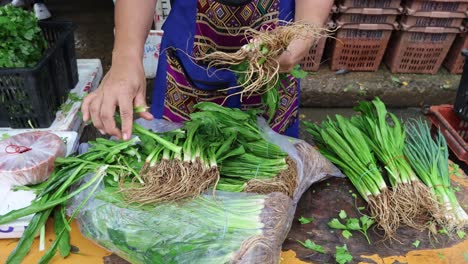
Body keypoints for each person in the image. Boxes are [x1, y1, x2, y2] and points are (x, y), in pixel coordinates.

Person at [82, 0, 333, 141]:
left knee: (269, 182)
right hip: (188, 62)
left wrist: (302, 34)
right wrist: (126, 56)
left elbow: (309, 20)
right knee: (175, 165)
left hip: (273, 63)